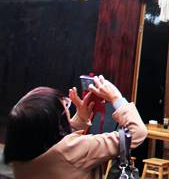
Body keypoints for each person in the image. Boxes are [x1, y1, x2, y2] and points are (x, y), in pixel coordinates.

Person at [4, 75, 148, 179]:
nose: (68, 108)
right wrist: (116, 98)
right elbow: (136, 133)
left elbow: (54, 142)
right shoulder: (75, 150)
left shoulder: (20, 153)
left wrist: (81, 118)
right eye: (65, 106)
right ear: (55, 121)